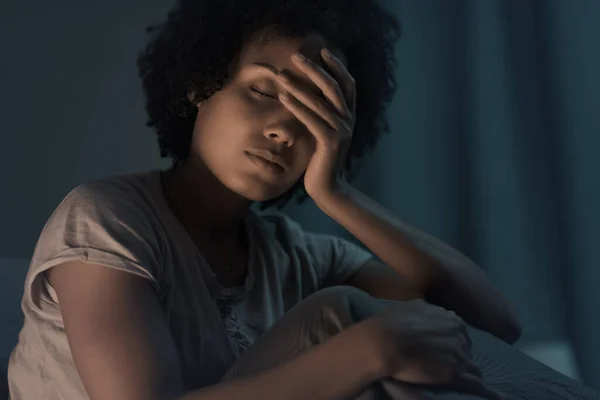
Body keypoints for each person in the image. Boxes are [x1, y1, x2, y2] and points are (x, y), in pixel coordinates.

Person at [7, 0, 522, 399]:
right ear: (199, 84)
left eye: (315, 113)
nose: (284, 129)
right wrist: (371, 352)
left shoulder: (297, 256)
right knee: (343, 316)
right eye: (263, 92)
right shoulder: (105, 218)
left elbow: (491, 326)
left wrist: (336, 193)